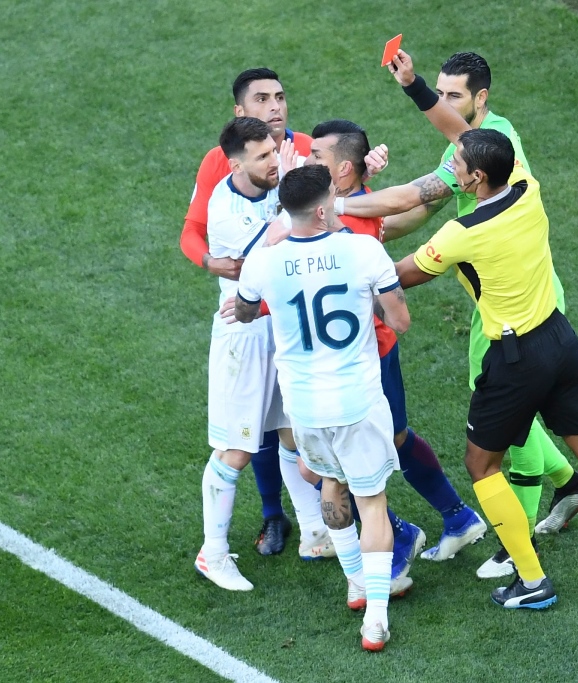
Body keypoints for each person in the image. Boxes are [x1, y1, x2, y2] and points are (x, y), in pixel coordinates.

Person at [347, 128, 578, 608]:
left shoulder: (460, 234)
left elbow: (398, 276)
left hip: (514, 360)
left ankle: (532, 581)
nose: (449, 166)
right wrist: (417, 89)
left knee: (481, 464)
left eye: (457, 163)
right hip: (559, 338)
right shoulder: (528, 189)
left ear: (477, 177)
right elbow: (469, 136)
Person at [380, 50, 578, 576]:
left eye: (454, 95)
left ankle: (515, 543)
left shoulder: (497, 140)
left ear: (480, 99)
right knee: (513, 415)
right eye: (441, 92)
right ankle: (571, 485)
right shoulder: (468, 151)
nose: (446, 105)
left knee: (508, 424)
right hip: (495, 305)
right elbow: (424, 206)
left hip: (521, 311)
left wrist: (343, 215)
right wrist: (375, 233)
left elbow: (418, 193)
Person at [181, 68, 388, 556]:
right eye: (261, 99)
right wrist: (210, 261)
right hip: (249, 317)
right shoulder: (222, 166)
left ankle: (317, 529)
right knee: (251, 435)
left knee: (292, 430)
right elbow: (195, 229)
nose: (274, 107)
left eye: (280, 96)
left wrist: (361, 172)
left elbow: (329, 205)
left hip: (291, 317)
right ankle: (272, 520)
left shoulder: (302, 149)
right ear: (240, 112)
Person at [234, 164, 410, 651]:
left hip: (304, 408)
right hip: (356, 401)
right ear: (320, 208)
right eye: (334, 196)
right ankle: (375, 618)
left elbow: (246, 310)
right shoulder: (362, 250)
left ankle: (355, 582)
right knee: (372, 502)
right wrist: (371, 299)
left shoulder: (264, 262)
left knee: (331, 483)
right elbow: (401, 319)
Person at [306, 119, 487, 569]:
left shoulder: (344, 223)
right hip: (365, 351)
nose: (307, 161)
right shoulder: (352, 209)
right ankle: (456, 518)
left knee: (326, 464)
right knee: (394, 438)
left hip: (355, 357)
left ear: (342, 170)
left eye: (316, 157)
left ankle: (395, 541)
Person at [194, 117, 333, 592]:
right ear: (235, 164)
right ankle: (212, 553)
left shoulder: (277, 183)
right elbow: (259, 257)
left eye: (275, 152)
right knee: (235, 450)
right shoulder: (224, 208)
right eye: (262, 157)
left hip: (284, 331)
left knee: (293, 434)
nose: (274, 162)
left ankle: (315, 531)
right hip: (245, 337)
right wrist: (292, 192)